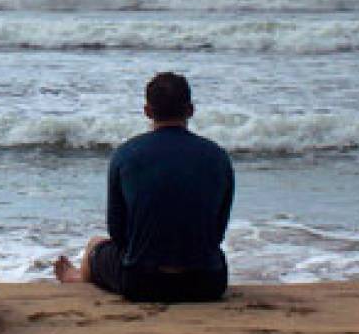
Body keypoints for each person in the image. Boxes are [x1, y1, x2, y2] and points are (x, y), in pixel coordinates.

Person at [54, 72, 233, 303]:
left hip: (141, 283)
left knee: (94, 246)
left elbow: (117, 232)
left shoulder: (125, 155)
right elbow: (217, 232)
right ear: (190, 110)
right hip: (207, 283)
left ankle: (79, 277)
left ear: (147, 111)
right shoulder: (218, 157)